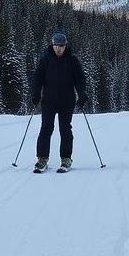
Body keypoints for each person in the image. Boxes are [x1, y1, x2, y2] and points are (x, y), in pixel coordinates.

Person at [31, 31, 88, 171]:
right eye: (56, 46)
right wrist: (35, 93)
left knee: (65, 129)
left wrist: (82, 94)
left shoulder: (72, 60)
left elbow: (80, 80)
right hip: (48, 101)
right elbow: (37, 78)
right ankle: (42, 159)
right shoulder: (45, 59)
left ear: (65, 46)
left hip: (67, 101)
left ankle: (66, 159)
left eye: (61, 46)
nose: (58, 49)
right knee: (46, 128)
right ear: (52, 45)